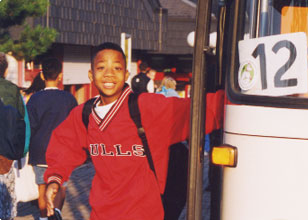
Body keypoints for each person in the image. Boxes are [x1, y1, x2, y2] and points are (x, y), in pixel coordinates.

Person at [44, 42, 224, 220]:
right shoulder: (84, 115)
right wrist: (55, 179)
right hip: (101, 214)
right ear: (91, 75)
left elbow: (200, 111)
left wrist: (236, 98)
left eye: (116, 68)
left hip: (145, 213)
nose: (109, 74)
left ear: (126, 74)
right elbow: (64, 148)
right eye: (101, 68)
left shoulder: (147, 108)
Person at [27, 57, 77, 220]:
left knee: (42, 187)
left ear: (42, 76)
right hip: (63, 151)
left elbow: (30, 127)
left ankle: (43, 217)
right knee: (60, 186)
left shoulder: (34, 99)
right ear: (60, 76)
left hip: (40, 149)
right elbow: (76, 127)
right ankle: (56, 214)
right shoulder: (69, 99)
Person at [0, 52, 28, 219]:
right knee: (6, 205)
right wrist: (22, 152)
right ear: (5, 70)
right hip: (5, 157)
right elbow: (23, 124)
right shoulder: (13, 90)